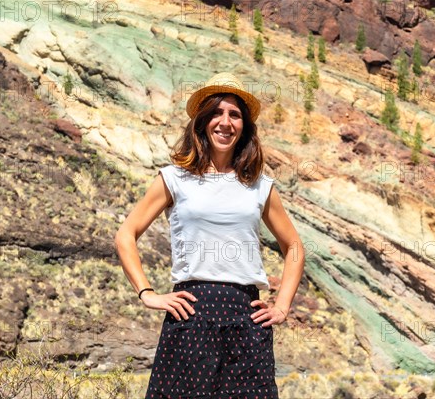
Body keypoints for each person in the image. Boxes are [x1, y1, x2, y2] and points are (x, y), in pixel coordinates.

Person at [114, 72, 305, 398]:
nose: (225, 122)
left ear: (244, 126)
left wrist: (282, 306)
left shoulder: (259, 186)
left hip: (246, 318)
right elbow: (126, 234)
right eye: (216, 112)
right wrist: (147, 293)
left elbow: (294, 246)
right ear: (201, 122)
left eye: (234, 114)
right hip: (191, 314)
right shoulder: (174, 178)